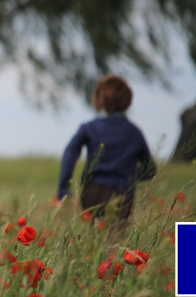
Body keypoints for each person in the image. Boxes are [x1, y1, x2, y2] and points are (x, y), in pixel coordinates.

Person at [56, 75, 156, 222]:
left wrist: (63, 190)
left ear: (98, 100)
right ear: (127, 102)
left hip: (92, 192)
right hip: (122, 193)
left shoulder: (89, 128)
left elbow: (69, 154)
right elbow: (150, 169)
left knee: (95, 232)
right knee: (116, 234)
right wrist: (129, 175)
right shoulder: (135, 132)